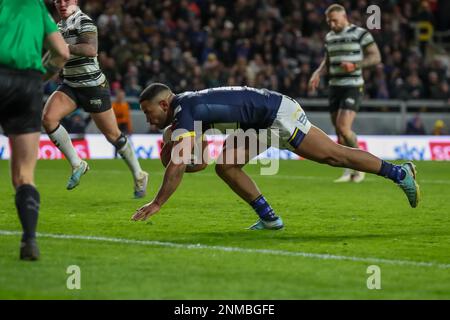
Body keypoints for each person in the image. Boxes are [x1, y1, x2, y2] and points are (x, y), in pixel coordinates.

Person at [131, 84, 420, 230]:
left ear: (164, 103)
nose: (147, 117)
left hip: (277, 116)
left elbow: (180, 164)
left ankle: (399, 173)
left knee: (334, 156)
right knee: (226, 166)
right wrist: (172, 153)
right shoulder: (189, 110)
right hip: (259, 123)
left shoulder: (185, 111)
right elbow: (201, 163)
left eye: (148, 111)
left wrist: (158, 202)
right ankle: (269, 219)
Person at [42, 0, 148, 198]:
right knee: (48, 119)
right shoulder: (58, 27)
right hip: (71, 85)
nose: (62, 4)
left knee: (113, 135)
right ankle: (77, 163)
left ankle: (139, 174)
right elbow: (55, 59)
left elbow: (91, 49)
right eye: (58, 1)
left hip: (93, 87)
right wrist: (38, 78)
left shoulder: (84, 21)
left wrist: (64, 47)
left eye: (67, 0)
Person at [0, 0, 70, 260]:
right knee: (24, 174)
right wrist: (41, 77)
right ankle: (29, 239)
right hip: (27, 85)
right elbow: (62, 53)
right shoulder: (37, 8)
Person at [309, 4, 381, 183]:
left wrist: (355, 65)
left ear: (344, 16)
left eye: (334, 20)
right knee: (339, 133)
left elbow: (375, 57)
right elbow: (327, 60)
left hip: (353, 86)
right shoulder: (330, 37)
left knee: (343, 127)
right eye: (329, 21)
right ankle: (349, 170)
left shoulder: (361, 34)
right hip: (335, 87)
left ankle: (360, 166)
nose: (332, 24)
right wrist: (318, 72)